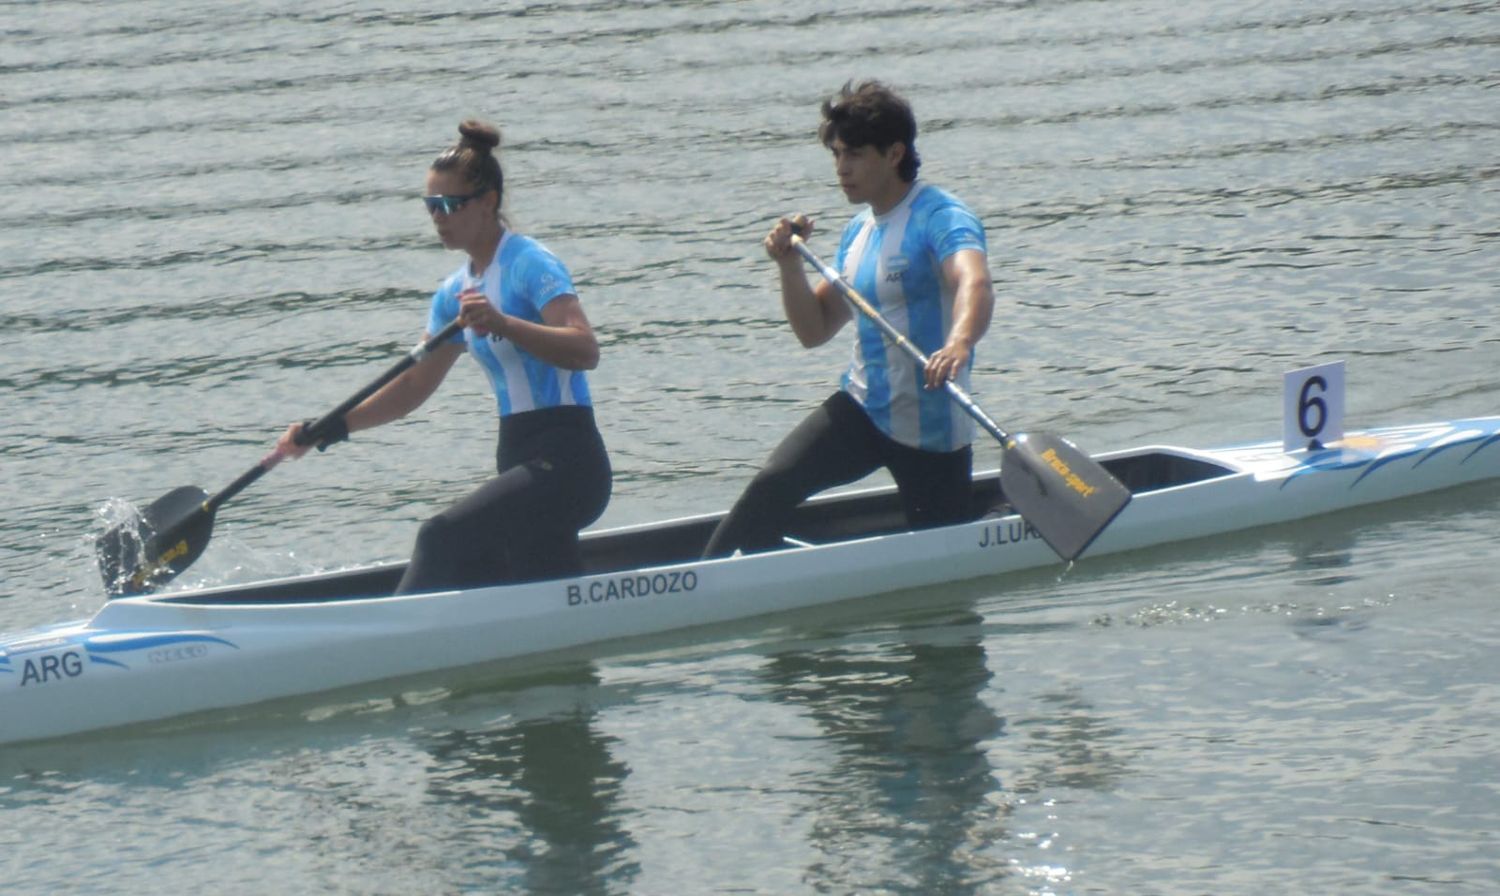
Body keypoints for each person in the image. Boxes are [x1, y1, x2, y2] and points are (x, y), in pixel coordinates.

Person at [277, 119, 611, 593]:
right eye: (431, 206)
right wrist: (331, 428)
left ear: (489, 202)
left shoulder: (530, 264)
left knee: (440, 537)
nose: (439, 217)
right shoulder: (454, 293)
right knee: (541, 589)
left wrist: (503, 323)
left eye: (451, 205)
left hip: (568, 463)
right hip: (518, 460)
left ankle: (387, 644)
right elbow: (413, 387)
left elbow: (584, 348)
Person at [703, 81, 994, 558]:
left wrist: (960, 342)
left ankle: (996, 518)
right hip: (863, 410)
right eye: (836, 155)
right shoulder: (858, 232)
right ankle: (704, 585)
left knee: (941, 564)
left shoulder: (941, 216)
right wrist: (789, 265)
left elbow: (973, 283)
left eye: (854, 155)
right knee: (771, 486)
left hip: (933, 425)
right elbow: (814, 330)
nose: (841, 169)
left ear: (895, 153)